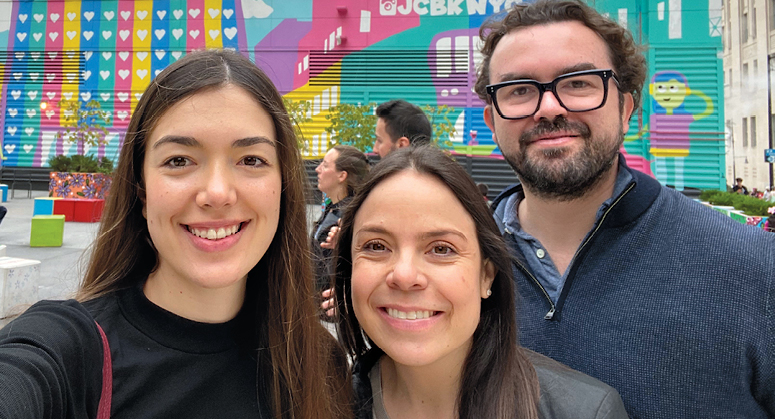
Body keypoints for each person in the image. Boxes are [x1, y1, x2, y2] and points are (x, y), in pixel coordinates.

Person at [0, 50, 350, 418]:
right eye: (179, 160)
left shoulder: (320, 364)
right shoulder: (67, 351)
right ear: (142, 190)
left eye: (251, 160)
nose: (217, 193)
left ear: (284, 185)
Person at [476, 1, 774, 417]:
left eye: (579, 83)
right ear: (492, 121)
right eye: (520, 90)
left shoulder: (754, 267)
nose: (549, 108)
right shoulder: (453, 268)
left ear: (627, 108)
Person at [334, 146, 628, 419]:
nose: (405, 275)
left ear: (487, 274)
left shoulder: (585, 411)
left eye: (441, 249)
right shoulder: (322, 403)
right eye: (376, 246)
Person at [312, 145, 369, 298]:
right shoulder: (332, 209)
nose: (317, 169)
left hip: (335, 307)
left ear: (342, 176)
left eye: (325, 165)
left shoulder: (352, 215)